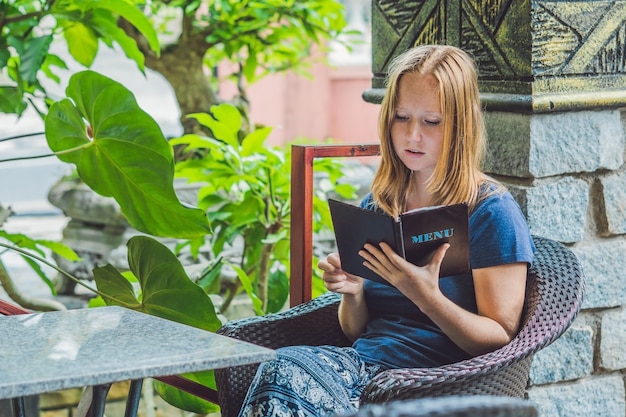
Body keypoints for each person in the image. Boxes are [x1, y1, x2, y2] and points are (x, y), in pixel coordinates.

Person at [237, 44, 535, 417]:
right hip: (366, 370)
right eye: (401, 117)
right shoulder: (379, 206)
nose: (412, 136)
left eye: (432, 122)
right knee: (280, 368)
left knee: (285, 375)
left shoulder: (490, 212)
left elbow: (499, 338)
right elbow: (354, 331)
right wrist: (353, 290)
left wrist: (427, 295)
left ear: (461, 125)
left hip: (434, 383)